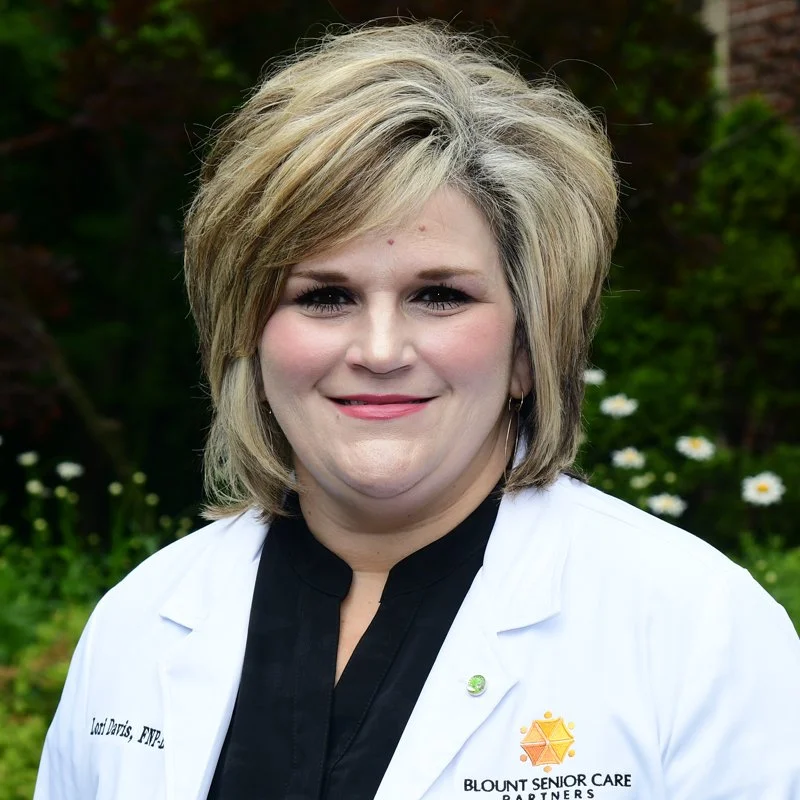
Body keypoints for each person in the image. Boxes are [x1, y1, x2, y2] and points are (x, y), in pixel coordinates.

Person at [34, 20, 800, 800]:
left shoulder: (701, 633)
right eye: (323, 296)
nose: (379, 349)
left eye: (439, 295)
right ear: (249, 336)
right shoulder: (137, 624)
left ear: (529, 347)